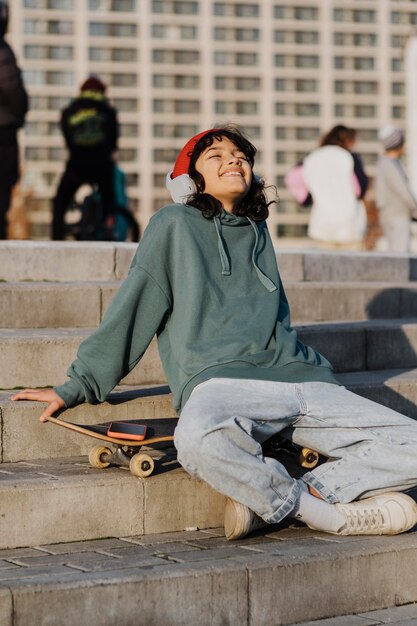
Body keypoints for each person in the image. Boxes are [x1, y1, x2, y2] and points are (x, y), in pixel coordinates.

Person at [12, 126, 417, 541]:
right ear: (192, 179)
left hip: (303, 381)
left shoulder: (258, 231)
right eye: (216, 155)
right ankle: (333, 517)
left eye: (241, 155)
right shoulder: (173, 224)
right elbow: (135, 307)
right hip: (220, 383)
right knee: (197, 439)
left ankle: (299, 497)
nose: (234, 160)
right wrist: (79, 384)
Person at [52, 75, 120, 240]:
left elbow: (67, 135)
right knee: (109, 201)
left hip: (77, 164)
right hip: (102, 164)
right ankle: (109, 228)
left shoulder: (70, 110)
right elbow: (114, 138)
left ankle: (57, 236)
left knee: (60, 201)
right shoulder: (107, 110)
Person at [303, 125, 368, 249]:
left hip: (321, 226)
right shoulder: (350, 157)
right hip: (350, 225)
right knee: (353, 267)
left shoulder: (311, 157)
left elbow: (294, 179)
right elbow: (361, 189)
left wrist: (308, 199)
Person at [0, 0, 29, 240]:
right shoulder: (2, 51)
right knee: (4, 184)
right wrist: (19, 115)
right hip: (3, 130)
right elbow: (13, 90)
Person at [375, 126, 417, 253]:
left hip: (389, 214)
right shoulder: (390, 165)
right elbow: (402, 191)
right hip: (397, 215)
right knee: (400, 256)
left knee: (395, 253)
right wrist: (415, 209)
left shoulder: (383, 163)